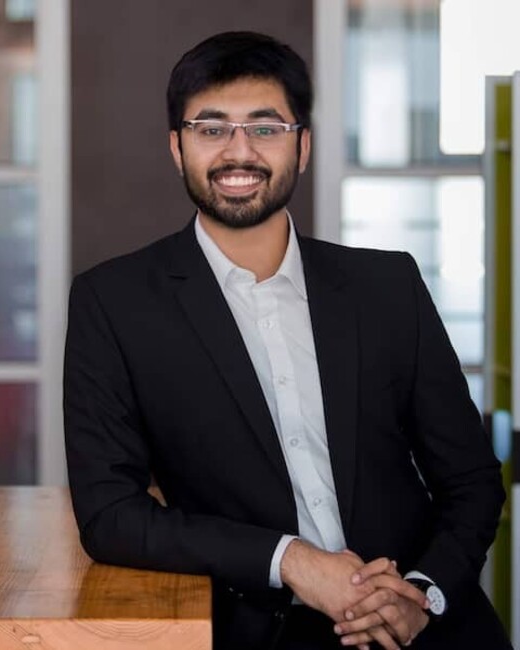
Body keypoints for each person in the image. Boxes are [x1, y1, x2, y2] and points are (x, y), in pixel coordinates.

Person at [64, 31, 511, 650]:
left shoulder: (387, 286)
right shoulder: (113, 303)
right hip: (258, 631)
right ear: (177, 147)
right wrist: (291, 560)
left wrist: (421, 592)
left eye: (266, 127)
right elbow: (110, 515)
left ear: (302, 147)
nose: (238, 152)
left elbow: (471, 480)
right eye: (211, 128)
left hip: (425, 629)